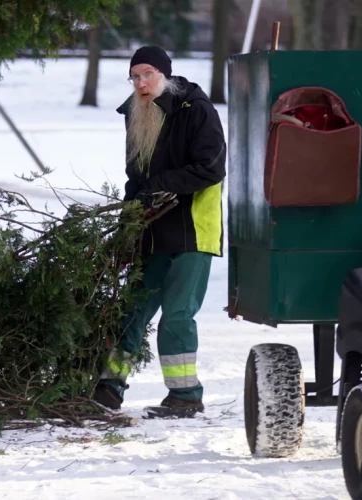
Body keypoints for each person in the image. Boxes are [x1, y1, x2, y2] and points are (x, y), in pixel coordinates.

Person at [94, 45, 226, 419]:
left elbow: (212, 167)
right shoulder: (136, 113)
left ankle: (185, 395)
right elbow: (135, 179)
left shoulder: (196, 110)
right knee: (132, 310)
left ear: (164, 74)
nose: (140, 83)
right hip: (151, 228)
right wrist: (126, 228)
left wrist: (164, 183)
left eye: (147, 74)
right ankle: (108, 387)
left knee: (177, 315)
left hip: (192, 228)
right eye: (134, 77)